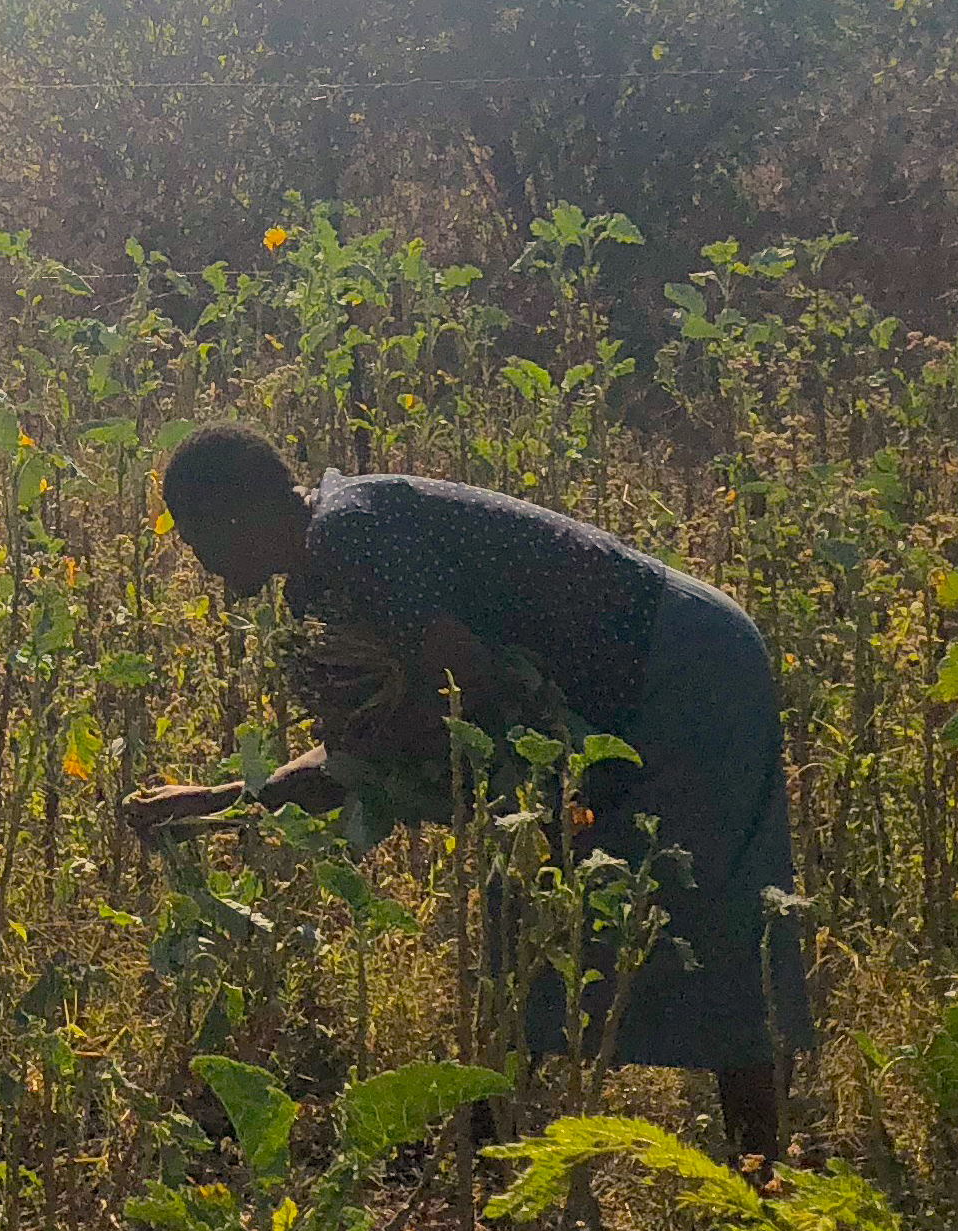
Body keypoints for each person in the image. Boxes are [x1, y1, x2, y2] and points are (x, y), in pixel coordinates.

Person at [119, 423, 809, 1171]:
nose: (214, 577)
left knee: (718, 916)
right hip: (615, 692)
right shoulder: (321, 577)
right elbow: (368, 743)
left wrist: (376, 749)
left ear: (234, 516)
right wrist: (223, 803)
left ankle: (761, 1181)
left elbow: (460, 684)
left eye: (201, 548)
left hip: (682, 669)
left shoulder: (352, 534)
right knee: (529, 906)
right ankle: (485, 1136)